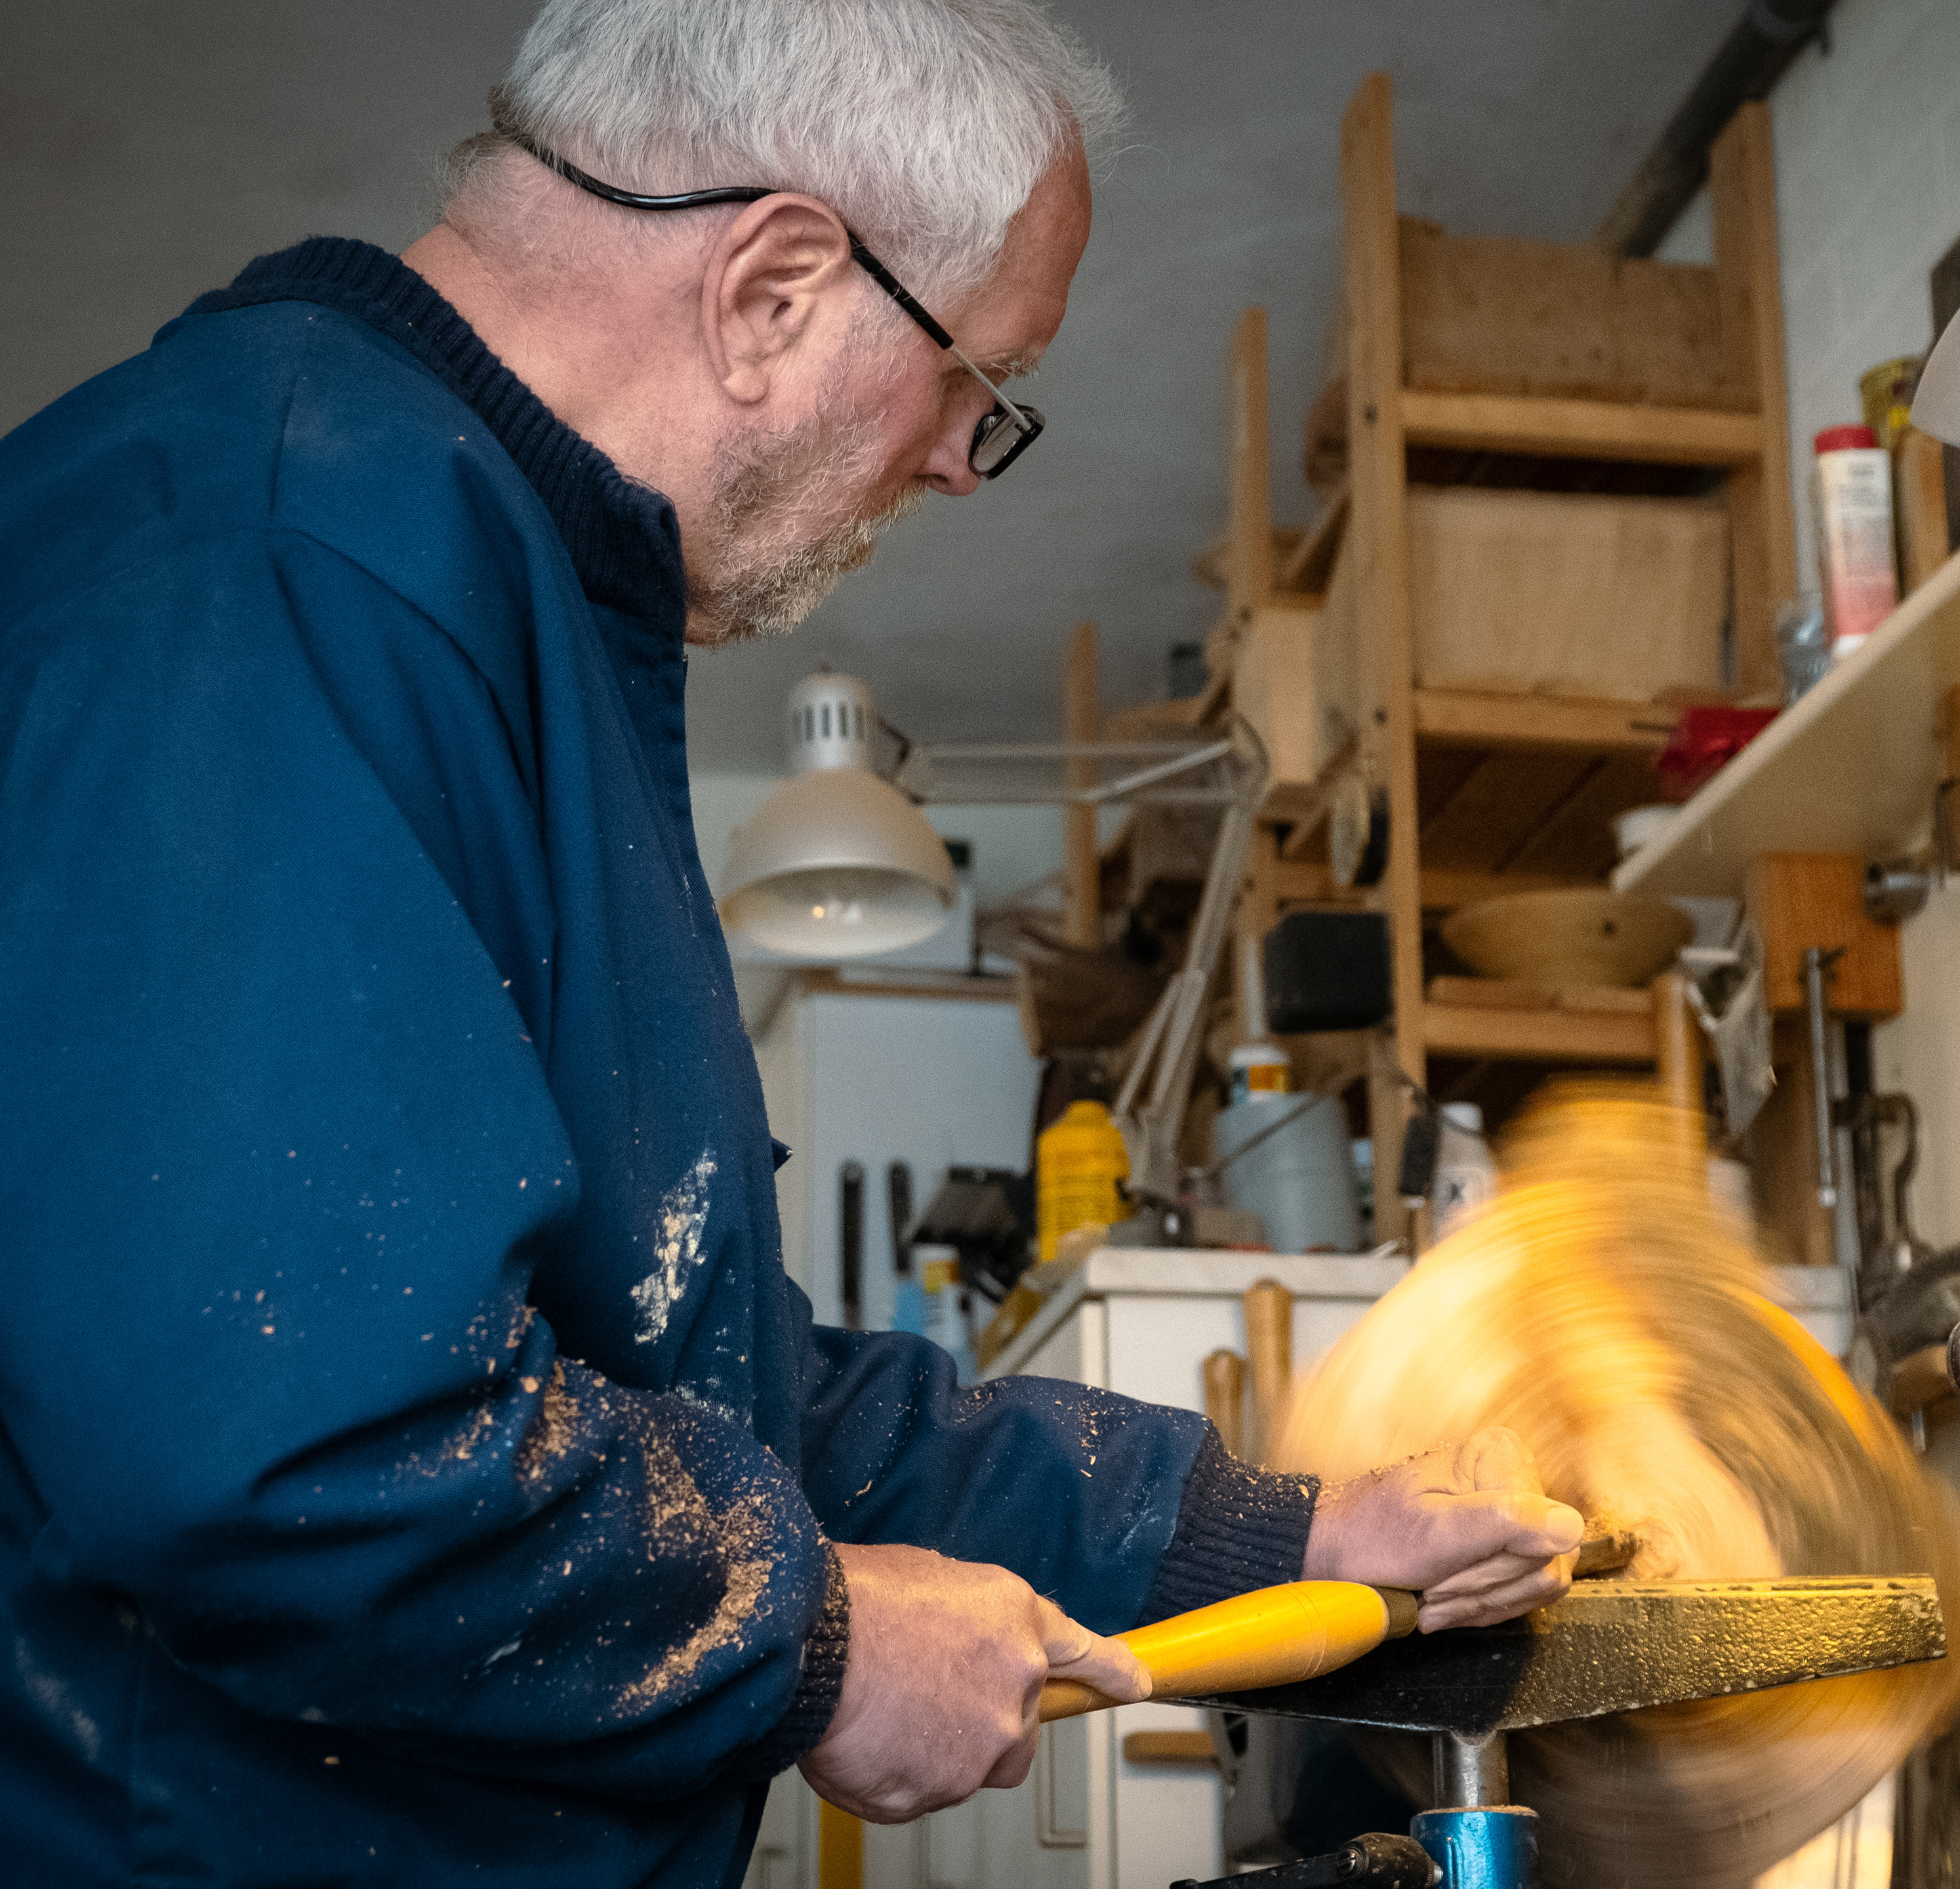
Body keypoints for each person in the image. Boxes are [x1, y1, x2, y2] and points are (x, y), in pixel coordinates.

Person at [0, 3, 1583, 1884]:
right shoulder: (277, 569)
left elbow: (708, 1394)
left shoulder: (478, 579)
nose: (963, 465)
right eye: (979, 382)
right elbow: (289, 1455)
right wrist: (813, 1644)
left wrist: (1270, 1537)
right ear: (773, 288)